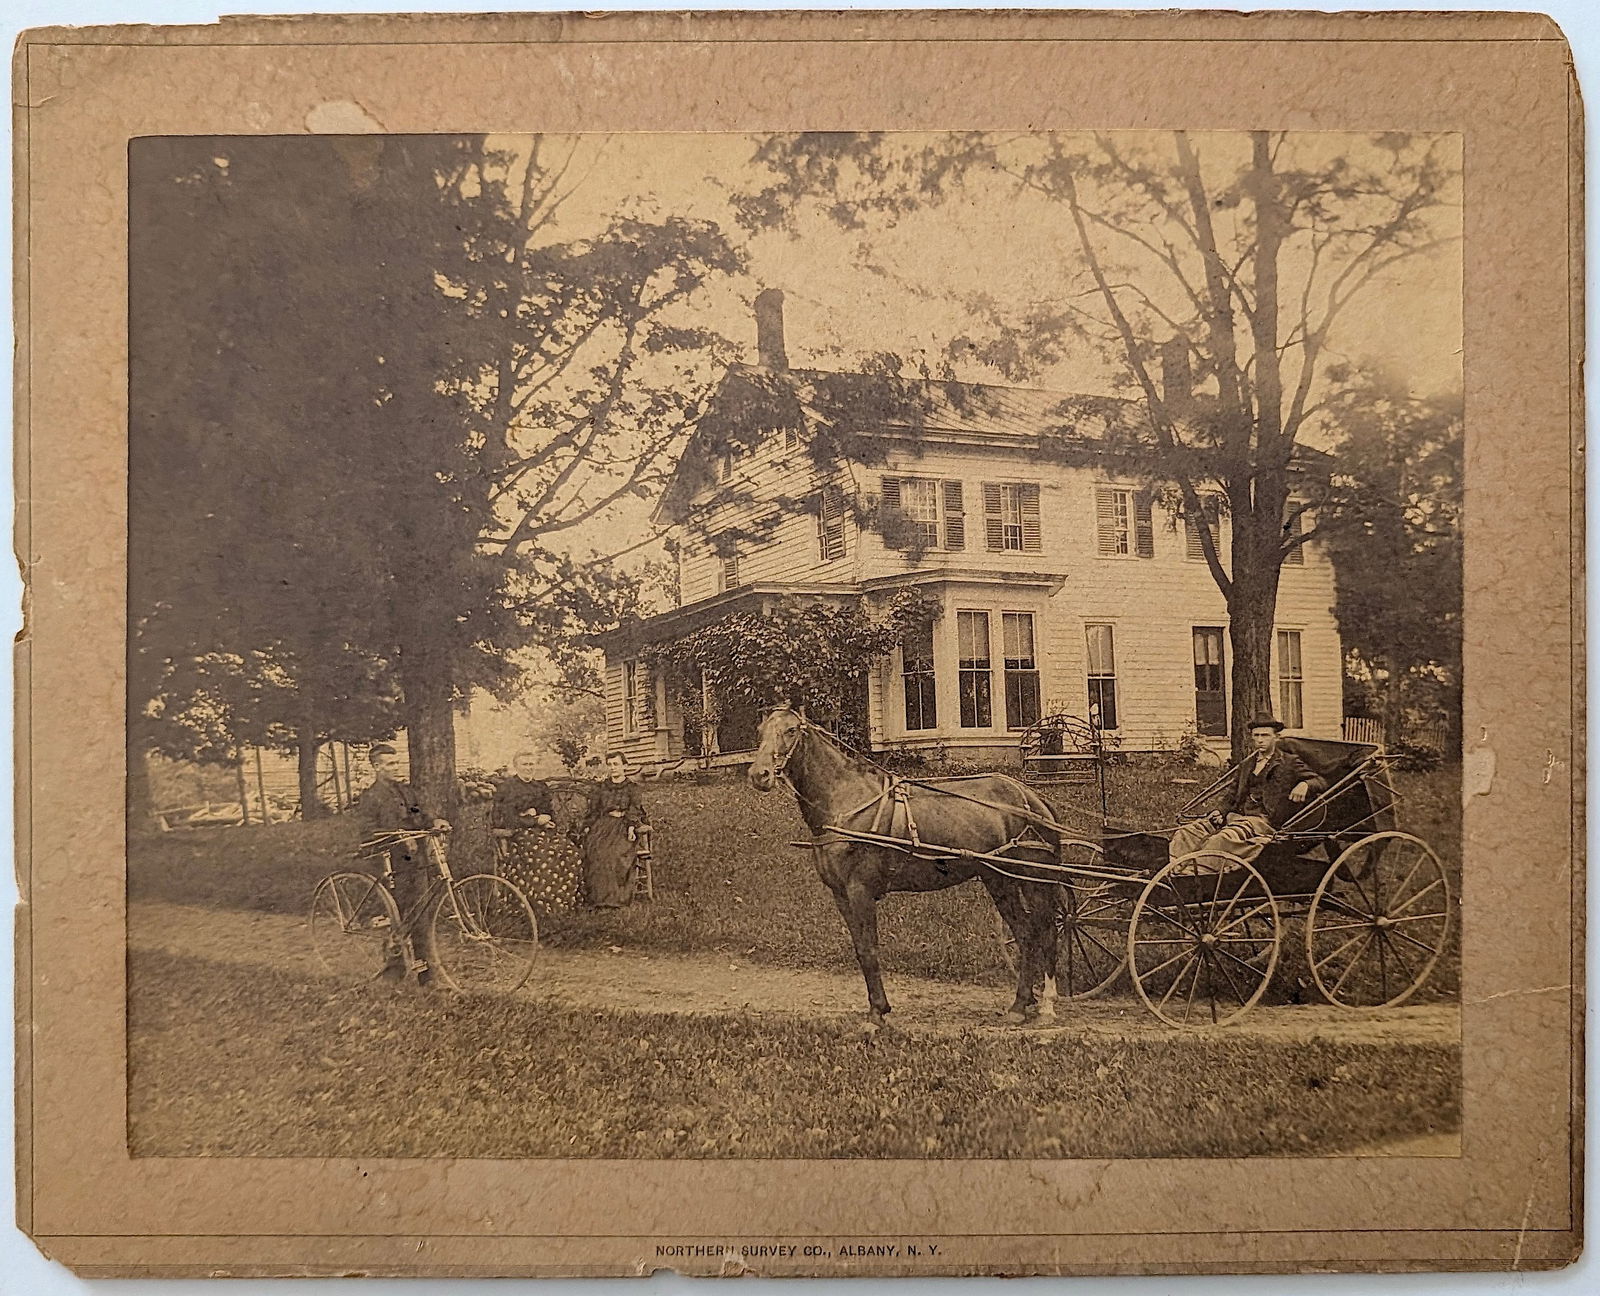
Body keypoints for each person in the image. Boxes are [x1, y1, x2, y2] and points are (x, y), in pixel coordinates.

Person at [1168, 714, 1326, 864]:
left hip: (1265, 822)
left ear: (1276, 737)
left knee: (1222, 839)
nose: (1260, 740)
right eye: (1256, 736)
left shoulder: (1289, 763)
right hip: (1238, 817)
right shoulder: (1247, 765)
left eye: (1265, 735)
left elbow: (1320, 781)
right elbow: (1232, 795)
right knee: (1188, 832)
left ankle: (1200, 873)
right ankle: (1178, 870)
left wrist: (1305, 784)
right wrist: (1220, 811)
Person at [353, 744, 450, 984]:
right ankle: (393, 970)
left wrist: (435, 821)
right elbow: (367, 832)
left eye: (397, 763)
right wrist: (399, 837)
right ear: (377, 767)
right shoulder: (370, 798)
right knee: (398, 914)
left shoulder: (407, 793)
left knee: (421, 914)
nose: (396, 768)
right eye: (389, 764)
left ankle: (426, 975)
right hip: (388, 861)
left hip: (415, 861)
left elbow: (420, 815)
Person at [491, 751, 583, 916]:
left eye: (531, 764)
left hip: (542, 831)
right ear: (516, 766)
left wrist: (545, 819)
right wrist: (532, 820)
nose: (528, 768)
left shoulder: (540, 786)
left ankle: (562, 905)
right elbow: (507, 817)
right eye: (525, 764)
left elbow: (547, 811)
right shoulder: (507, 788)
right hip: (517, 833)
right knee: (544, 855)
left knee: (569, 851)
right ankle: (540, 906)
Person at [582, 751, 649, 908]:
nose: (613, 768)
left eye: (616, 764)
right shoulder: (601, 788)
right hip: (602, 826)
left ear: (624, 765)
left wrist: (632, 827)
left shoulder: (632, 788)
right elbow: (594, 811)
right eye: (610, 765)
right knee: (596, 852)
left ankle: (614, 898)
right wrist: (587, 827)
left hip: (623, 826)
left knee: (614, 854)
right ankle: (598, 898)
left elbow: (634, 810)